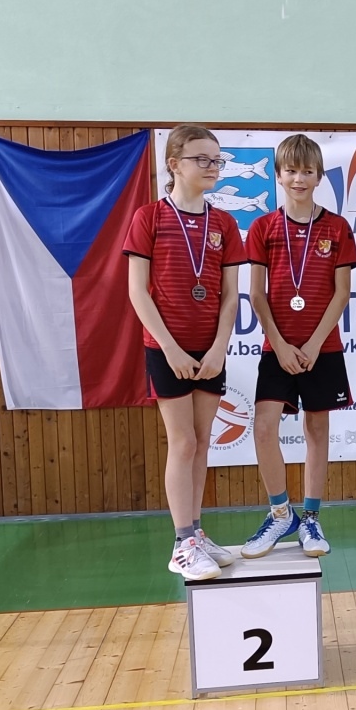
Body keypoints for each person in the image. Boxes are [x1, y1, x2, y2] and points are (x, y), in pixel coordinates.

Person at [123, 124, 243, 580]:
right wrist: (170, 349)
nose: (213, 167)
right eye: (202, 159)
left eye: (217, 160)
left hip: (209, 350)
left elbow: (230, 296)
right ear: (174, 164)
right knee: (184, 442)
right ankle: (181, 543)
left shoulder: (224, 224)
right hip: (166, 348)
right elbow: (138, 292)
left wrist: (218, 349)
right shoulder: (149, 218)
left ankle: (195, 531)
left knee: (202, 442)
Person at [240, 134, 356, 558]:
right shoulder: (263, 227)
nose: (299, 178)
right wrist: (281, 344)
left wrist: (311, 343)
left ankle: (310, 518)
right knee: (264, 427)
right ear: (278, 175)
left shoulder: (337, 228)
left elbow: (341, 293)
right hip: (277, 348)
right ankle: (280, 514)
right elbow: (256, 294)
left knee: (317, 430)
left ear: (319, 176)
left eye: (308, 171)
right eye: (291, 170)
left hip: (321, 349)